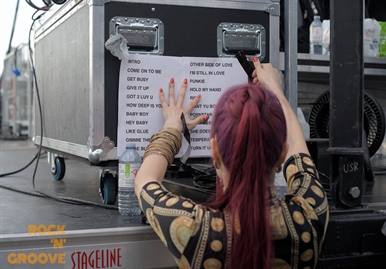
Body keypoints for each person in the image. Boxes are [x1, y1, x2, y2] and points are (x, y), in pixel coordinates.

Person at [135, 57, 329, 269]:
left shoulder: (192, 228)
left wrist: (174, 124)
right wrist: (273, 88)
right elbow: (297, 147)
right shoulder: (310, 217)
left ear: (215, 153)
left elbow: (145, 180)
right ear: (281, 156)